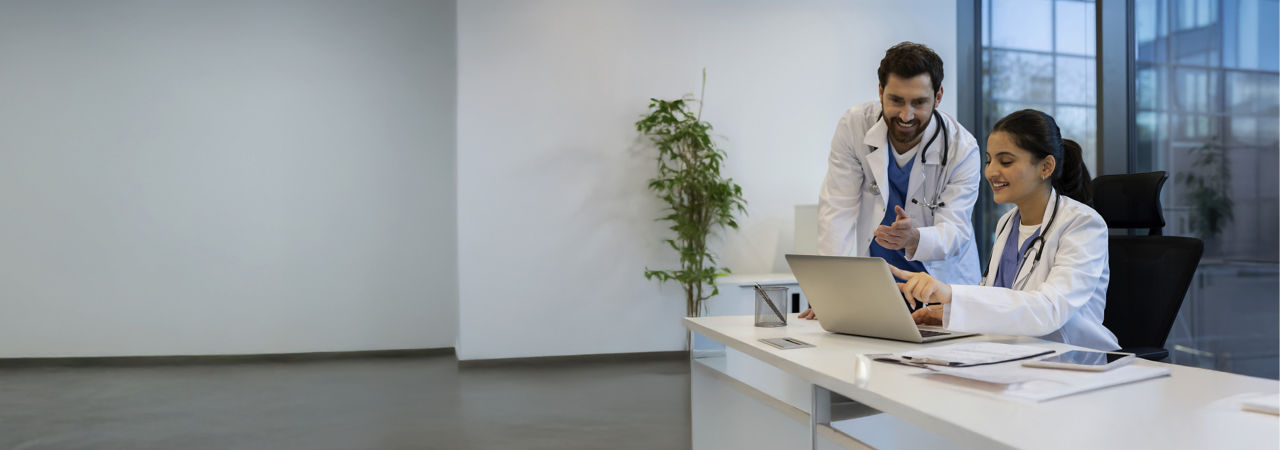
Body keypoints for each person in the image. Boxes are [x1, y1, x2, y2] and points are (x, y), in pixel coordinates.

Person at [891, 109, 1119, 351]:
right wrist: (948, 312)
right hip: (1012, 355)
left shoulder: (1082, 225)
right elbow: (996, 299)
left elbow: (1049, 310)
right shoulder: (1008, 223)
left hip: (1071, 363)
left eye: (1006, 161)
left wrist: (952, 295)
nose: (991, 172)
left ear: (1046, 167)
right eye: (989, 160)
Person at [802, 42, 982, 319]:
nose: (906, 115)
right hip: (879, 283)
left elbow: (955, 231)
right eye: (896, 100)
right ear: (880, 92)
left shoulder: (962, 148)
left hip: (938, 285)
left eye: (919, 102)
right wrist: (829, 290)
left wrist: (915, 238)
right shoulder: (854, 126)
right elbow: (837, 210)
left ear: (938, 96)